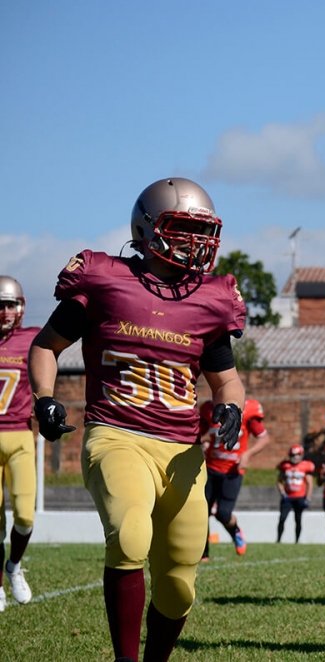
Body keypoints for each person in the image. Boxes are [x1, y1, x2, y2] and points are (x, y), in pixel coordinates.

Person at [28, 177, 246, 662]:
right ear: (146, 230)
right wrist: (44, 396)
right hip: (117, 434)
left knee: (179, 587)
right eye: (183, 228)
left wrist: (231, 404)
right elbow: (46, 345)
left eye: (203, 232)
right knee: (129, 537)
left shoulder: (209, 299)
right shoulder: (105, 281)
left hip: (182, 451)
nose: (196, 243)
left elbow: (226, 379)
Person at [0, 276, 39, 611]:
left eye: (10, 304)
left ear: (21, 306)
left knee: (25, 516)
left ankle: (13, 565)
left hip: (20, 436)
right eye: (0, 305)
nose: (5, 311)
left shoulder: (31, 340)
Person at [198, 396, 271, 561]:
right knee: (203, 511)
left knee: (223, 514)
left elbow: (264, 438)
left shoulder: (247, 410)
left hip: (232, 471)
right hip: (210, 467)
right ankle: (204, 553)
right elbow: (198, 433)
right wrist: (202, 442)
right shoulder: (208, 408)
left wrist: (247, 454)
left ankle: (236, 531)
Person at [276, 443, 314, 543]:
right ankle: (278, 539)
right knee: (282, 519)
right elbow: (279, 481)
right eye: (293, 455)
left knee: (298, 520)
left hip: (300, 497)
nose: (295, 457)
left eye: (297, 455)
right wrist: (283, 493)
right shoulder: (285, 466)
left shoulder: (306, 466)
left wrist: (308, 498)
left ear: (301, 455)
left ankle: (297, 540)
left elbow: (310, 483)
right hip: (288, 497)